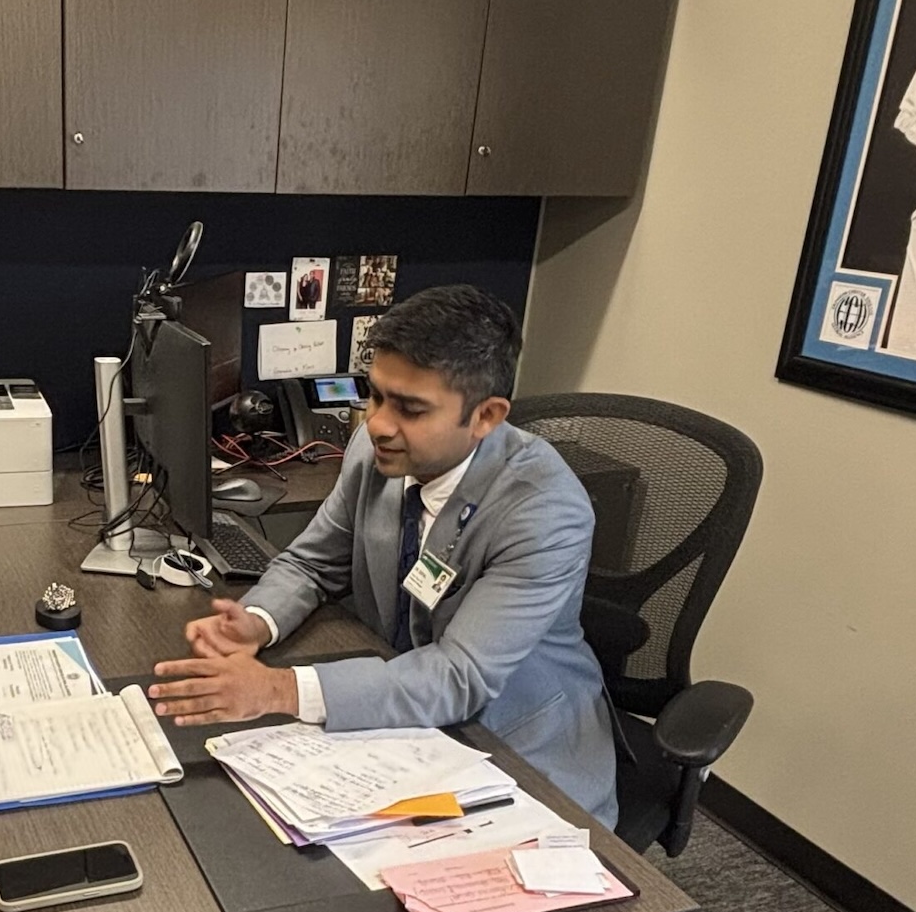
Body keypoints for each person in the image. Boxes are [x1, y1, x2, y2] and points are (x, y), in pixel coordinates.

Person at [149, 284, 618, 826]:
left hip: (517, 753)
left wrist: (278, 689)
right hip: (397, 721)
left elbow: (458, 676)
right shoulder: (376, 453)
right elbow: (311, 563)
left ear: (486, 416)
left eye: (411, 409)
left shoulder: (544, 511)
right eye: (376, 396)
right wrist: (256, 623)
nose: (378, 424)